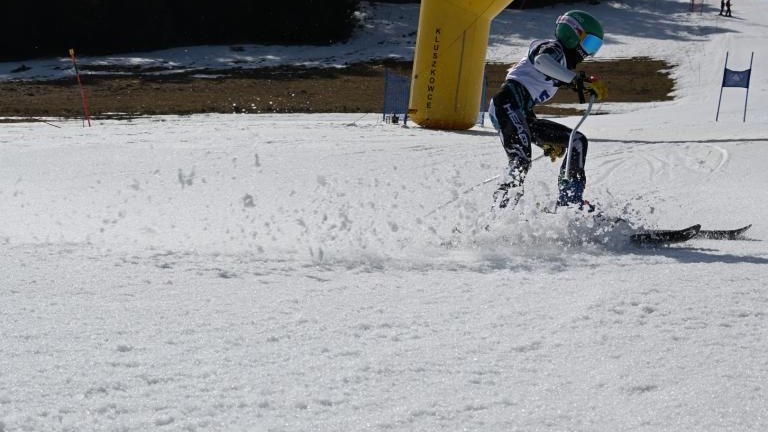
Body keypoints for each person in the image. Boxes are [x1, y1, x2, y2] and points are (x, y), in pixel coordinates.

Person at [488, 10, 607, 212]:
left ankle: (569, 201)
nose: (589, 53)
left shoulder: (560, 66)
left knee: (576, 141)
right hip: (505, 105)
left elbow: (527, 101)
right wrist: (576, 80)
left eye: (595, 48)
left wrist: (545, 141)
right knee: (521, 159)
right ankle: (498, 216)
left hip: (520, 113)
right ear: (573, 35)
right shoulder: (552, 48)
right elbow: (542, 61)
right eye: (589, 44)